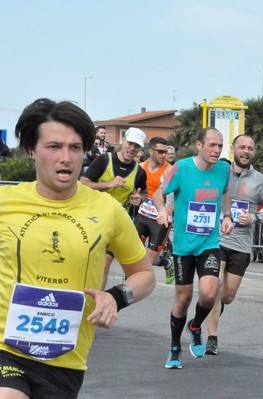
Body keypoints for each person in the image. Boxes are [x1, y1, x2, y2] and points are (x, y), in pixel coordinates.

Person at [0, 98, 155, 398]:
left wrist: (116, 297)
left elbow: (144, 275)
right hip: (5, 347)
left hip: (66, 359)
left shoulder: (107, 210)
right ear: (32, 151)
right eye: (54, 146)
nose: (66, 157)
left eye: (75, 147)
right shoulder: (5, 202)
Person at [153, 127, 233, 369]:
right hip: (183, 247)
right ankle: (175, 347)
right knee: (184, 297)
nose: (216, 150)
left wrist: (227, 215)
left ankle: (196, 326)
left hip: (209, 243)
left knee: (210, 293)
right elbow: (159, 192)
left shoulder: (223, 169)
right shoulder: (182, 168)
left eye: (220, 146)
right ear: (199, 145)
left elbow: (226, 191)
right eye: (212, 145)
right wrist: (160, 210)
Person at [204, 135, 263, 355]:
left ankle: (213, 311)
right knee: (214, 287)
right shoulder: (218, 172)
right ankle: (211, 337)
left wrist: (253, 218)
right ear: (233, 149)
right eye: (242, 147)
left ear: (253, 153)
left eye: (250, 148)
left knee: (227, 296)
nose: (245, 151)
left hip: (241, 244)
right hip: (216, 239)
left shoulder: (260, 181)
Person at [81, 127, 148, 288]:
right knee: (83, 263)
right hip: (90, 219)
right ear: (123, 141)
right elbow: (83, 183)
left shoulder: (139, 172)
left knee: (104, 265)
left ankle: (97, 303)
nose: (132, 149)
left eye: (136, 146)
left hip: (114, 225)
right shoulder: (104, 160)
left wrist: (138, 198)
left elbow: (144, 192)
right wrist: (108, 184)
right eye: (130, 143)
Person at [132, 136, 175, 284]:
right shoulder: (141, 167)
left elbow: (177, 192)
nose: (163, 154)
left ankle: (167, 263)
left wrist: (169, 209)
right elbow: (134, 189)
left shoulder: (169, 169)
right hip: (143, 214)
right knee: (130, 251)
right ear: (150, 151)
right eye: (160, 151)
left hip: (159, 218)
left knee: (150, 259)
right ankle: (130, 277)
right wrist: (134, 197)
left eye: (165, 152)